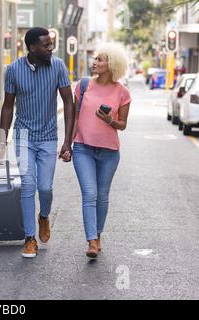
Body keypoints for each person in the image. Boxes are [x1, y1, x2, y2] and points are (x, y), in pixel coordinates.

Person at [0, 27, 75, 258]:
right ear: (32, 48)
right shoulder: (14, 70)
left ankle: (44, 217)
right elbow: (8, 106)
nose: (50, 48)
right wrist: (2, 143)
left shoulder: (58, 66)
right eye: (46, 45)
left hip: (49, 137)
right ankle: (29, 238)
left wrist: (67, 141)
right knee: (28, 185)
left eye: (51, 44)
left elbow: (69, 103)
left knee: (45, 188)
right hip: (24, 136)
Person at [64, 43, 132, 259]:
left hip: (110, 152)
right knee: (90, 194)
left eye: (99, 59)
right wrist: (67, 144)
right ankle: (91, 240)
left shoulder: (123, 92)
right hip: (83, 148)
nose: (94, 62)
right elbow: (74, 117)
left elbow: (122, 125)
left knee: (102, 196)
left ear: (111, 64)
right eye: (95, 59)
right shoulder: (83, 86)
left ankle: (98, 234)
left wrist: (109, 119)